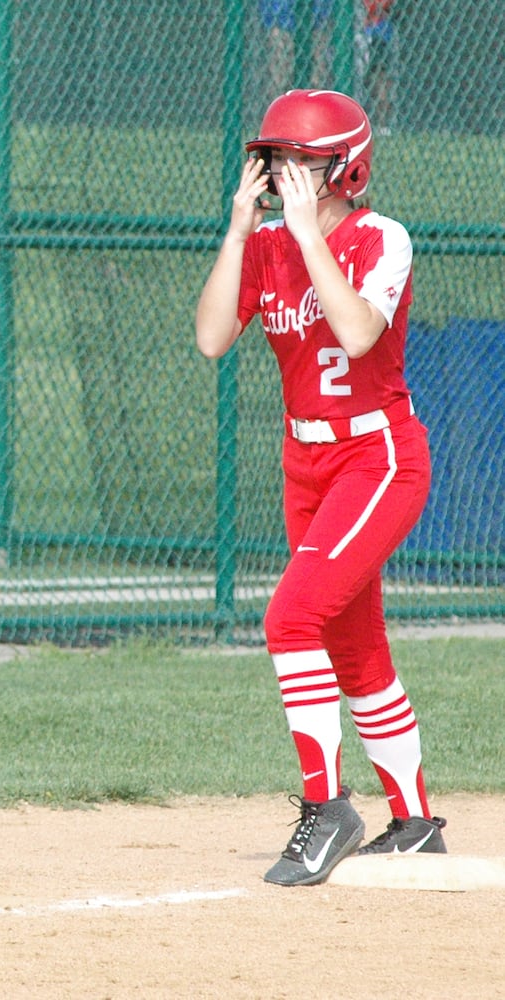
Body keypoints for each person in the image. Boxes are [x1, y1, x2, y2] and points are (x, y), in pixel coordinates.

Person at [194, 89, 444, 887]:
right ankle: (414, 822)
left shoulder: (381, 238)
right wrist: (241, 229)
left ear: (347, 167)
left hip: (378, 459)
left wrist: (306, 234)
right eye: (276, 161)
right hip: (304, 464)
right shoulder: (265, 244)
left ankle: (327, 807)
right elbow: (209, 339)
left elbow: (359, 332)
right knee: (354, 643)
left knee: (290, 615)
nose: (283, 174)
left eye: (301, 161)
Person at [260, 0, 335, 92]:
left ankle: (315, 95)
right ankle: (283, 97)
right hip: (280, 19)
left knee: (316, 70)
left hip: (316, 22)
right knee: (282, 66)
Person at [355, 0, 398, 131]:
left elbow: (380, 6)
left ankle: (383, 124)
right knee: (363, 78)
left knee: (381, 76)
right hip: (361, 30)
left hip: (380, 29)